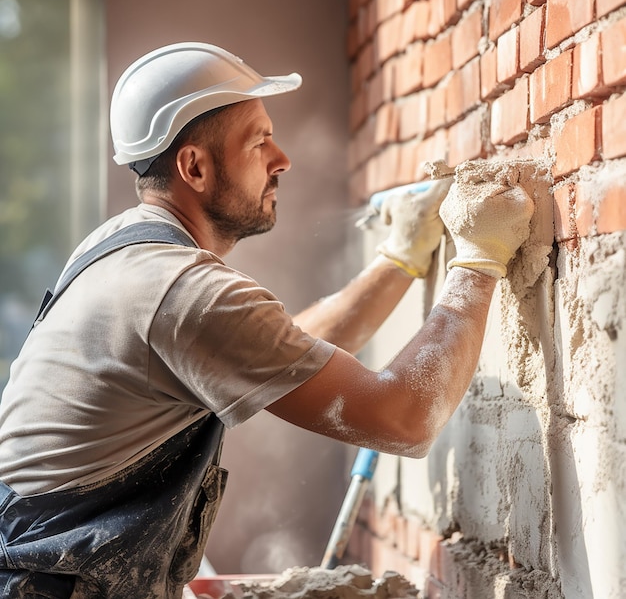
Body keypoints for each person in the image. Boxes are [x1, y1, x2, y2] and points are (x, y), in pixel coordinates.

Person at [0, 42, 534, 599]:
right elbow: (403, 419)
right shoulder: (184, 294)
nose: (282, 159)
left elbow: (284, 351)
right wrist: (478, 260)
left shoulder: (118, 249)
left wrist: (398, 259)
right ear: (195, 167)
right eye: (258, 141)